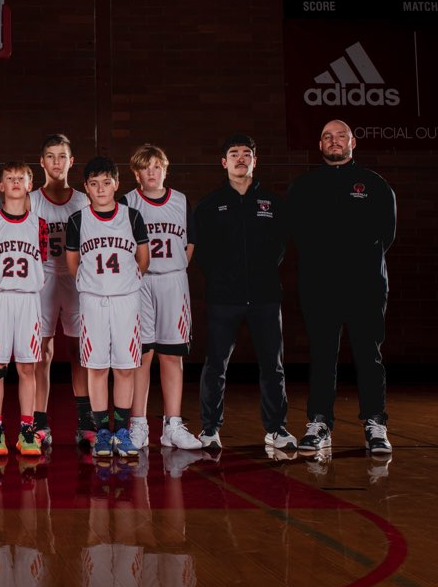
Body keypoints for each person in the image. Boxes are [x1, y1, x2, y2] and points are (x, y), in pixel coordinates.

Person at [288, 120, 397, 455]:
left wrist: (358, 263)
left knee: (369, 355)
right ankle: (319, 422)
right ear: (320, 145)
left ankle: (375, 423)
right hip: (320, 286)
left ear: (353, 142)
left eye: (340, 136)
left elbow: (387, 234)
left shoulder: (374, 184)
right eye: (327, 137)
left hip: (366, 285)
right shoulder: (304, 186)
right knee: (322, 355)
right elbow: (295, 232)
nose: (333, 141)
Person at [193, 134, 294, 452]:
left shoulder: (272, 203)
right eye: (234, 153)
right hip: (224, 298)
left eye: (246, 153)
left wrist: (262, 273)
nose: (240, 158)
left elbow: (280, 246)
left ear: (254, 160)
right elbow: (201, 251)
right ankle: (210, 429)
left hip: (265, 297)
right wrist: (223, 278)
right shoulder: (210, 204)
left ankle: (276, 429)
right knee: (216, 365)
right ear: (224, 162)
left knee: (273, 366)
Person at [65, 156, 150, 459]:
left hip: (126, 299)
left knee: (126, 367)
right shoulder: (78, 220)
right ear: (86, 187)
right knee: (97, 366)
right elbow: (72, 264)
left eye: (106, 182)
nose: (100, 189)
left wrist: (125, 282)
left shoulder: (132, 216)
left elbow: (143, 259)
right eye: (94, 184)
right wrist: (92, 283)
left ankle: (122, 431)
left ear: (116, 184)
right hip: (93, 300)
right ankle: (102, 431)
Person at [121, 144, 202, 451]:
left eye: (157, 166)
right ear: (136, 173)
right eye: (145, 167)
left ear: (165, 170)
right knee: (141, 354)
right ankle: (138, 423)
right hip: (139, 282)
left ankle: (173, 425)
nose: (152, 172)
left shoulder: (180, 200)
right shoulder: (127, 202)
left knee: (171, 354)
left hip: (172, 281)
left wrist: (174, 268)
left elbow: (190, 243)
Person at [0, 162, 49, 457]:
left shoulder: (39, 224)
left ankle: (26, 430)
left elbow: (42, 260)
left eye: (22, 178)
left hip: (29, 299)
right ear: (1, 186)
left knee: (27, 366)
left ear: (30, 185)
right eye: (10, 178)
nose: (16, 182)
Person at [29, 134, 90, 449]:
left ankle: (86, 420)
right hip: (43, 278)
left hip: (76, 279)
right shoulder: (31, 200)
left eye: (62, 156)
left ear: (71, 161)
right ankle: (40, 421)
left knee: (80, 351)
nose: (56, 162)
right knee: (42, 352)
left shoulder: (84, 200)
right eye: (50, 156)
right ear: (42, 162)